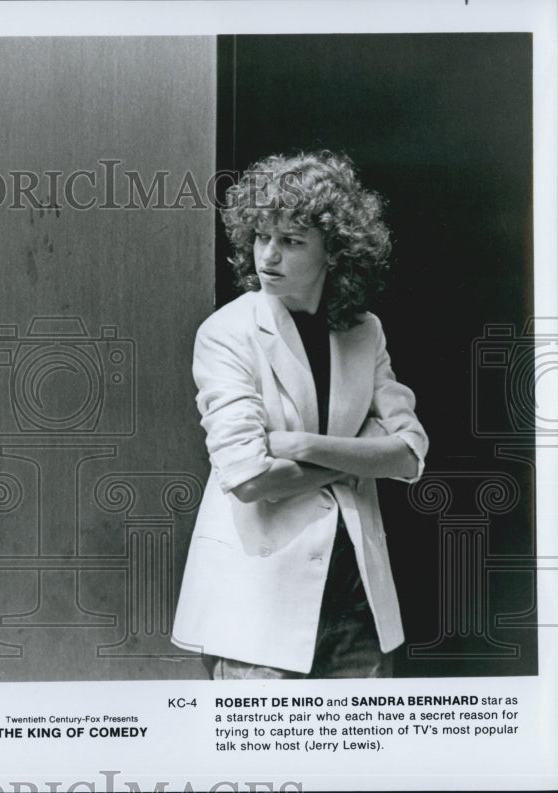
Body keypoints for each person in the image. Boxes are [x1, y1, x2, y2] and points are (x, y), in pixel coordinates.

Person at [172, 150, 428, 678]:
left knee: (361, 761)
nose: (268, 256)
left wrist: (302, 446)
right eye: (263, 236)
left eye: (291, 241)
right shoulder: (227, 333)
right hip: (258, 612)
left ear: (334, 251)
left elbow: (409, 454)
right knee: (257, 763)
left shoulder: (365, 331)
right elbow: (248, 479)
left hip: (358, 609)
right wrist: (360, 455)